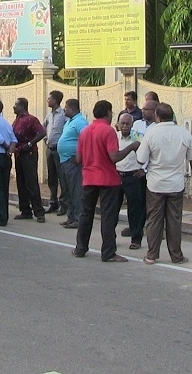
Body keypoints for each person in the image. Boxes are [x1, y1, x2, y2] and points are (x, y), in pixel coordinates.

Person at [73, 100, 140, 262]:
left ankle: (80, 248)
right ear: (108, 113)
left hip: (89, 178)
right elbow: (114, 157)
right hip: (107, 179)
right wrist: (131, 147)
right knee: (108, 216)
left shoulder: (85, 131)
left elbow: (78, 158)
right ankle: (108, 252)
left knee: (86, 214)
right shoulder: (108, 131)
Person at [136, 103, 192, 265]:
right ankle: (176, 256)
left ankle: (151, 255)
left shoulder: (151, 134)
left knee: (154, 220)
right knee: (174, 220)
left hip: (155, 184)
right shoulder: (183, 134)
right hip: (176, 185)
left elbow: (141, 159)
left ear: (157, 116)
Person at [12, 97, 47, 222]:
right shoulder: (17, 120)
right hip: (19, 153)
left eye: (16, 105)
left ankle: (39, 212)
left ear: (22, 106)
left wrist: (30, 144)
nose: (13, 107)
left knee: (31, 182)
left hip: (29, 154)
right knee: (21, 182)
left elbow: (42, 133)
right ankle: (25, 210)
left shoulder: (31, 119)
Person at [116, 114, 146, 250]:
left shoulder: (138, 138)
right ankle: (111, 237)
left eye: (128, 124)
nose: (125, 126)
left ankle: (136, 238)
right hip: (116, 175)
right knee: (112, 208)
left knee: (135, 210)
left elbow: (149, 154)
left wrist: (145, 170)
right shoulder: (114, 137)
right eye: (122, 123)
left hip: (133, 176)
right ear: (118, 124)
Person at [57, 98, 87, 229]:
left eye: (66, 107)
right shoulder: (70, 121)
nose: (64, 109)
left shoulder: (80, 121)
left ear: (73, 109)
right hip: (64, 160)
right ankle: (71, 217)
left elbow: (86, 138)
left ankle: (78, 218)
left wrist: (79, 155)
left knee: (76, 191)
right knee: (67, 190)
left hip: (73, 161)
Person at [43, 90, 67, 214]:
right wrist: (45, 139)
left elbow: (67, 130)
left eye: (49, 99)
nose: (48, 101)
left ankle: (64, 204)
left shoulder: (63, 115)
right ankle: (53, 202)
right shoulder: (49, 115)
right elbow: (43, 127)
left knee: (62, 177)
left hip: (59, 149)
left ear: (55, 100)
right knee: (52, 177)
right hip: (50, 148)